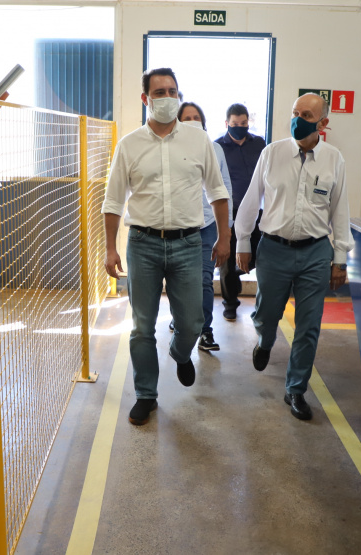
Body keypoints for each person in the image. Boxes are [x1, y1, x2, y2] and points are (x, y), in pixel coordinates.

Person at [103, 68, 230, 426]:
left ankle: (180, 351)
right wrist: (110, 249)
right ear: (146, 99)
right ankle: (146, 394)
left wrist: (225, 237)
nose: (168, 98)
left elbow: (218, 192)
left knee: (192, 321)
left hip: (189, 243)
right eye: (159, 92)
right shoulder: (129, 145)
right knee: (142, 326)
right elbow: (113, 202)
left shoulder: (198, 140)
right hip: (142, 244)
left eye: (173, 91)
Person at [234, 93, 352, 421]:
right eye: (295, 112)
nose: (298, 118)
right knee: (266, 313)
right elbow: (251, 197)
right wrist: (243, 240)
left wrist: (339, 257)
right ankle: (265, 339)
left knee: (309, 324)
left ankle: (295, 388)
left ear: (323, 123)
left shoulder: (333, 160)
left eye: (307, 114)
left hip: (316, 252)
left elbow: (340, 209)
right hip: (273, 249)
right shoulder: (272, 154)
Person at [172, 101, 234, 352]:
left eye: (196, 117)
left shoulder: (215, 149)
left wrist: (225, 230)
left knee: (204, 280)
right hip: (178, 224)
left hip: (207, 225)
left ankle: (205, 331)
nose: (192, 121)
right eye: (186, 118)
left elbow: (225, 187)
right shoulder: (169, 149)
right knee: (178, 280)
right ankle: (180, 322)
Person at [215, 103, 266, 321]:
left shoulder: (259, 144)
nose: (239, 127)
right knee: (227, 260)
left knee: (262, 256)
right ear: (227, 124)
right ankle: (230, 304)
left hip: (257, 209)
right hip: (230, 210)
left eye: (243, 123)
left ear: (248, 122)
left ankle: (262, 301)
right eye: (235, 124)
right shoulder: (217, 147)